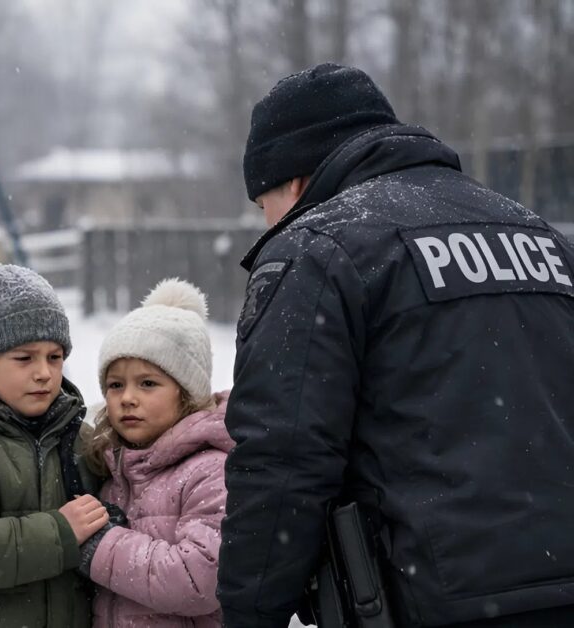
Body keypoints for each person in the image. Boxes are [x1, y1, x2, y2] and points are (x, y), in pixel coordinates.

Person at [217, 62, 574, 627]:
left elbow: (281, 461)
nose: (267, 224)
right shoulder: (540, 237)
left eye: (263, 205)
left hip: (432, 599)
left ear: (293, 180)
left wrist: (247, 613)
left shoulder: (318, 248)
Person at [81, 278, 230, 627]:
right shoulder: (114, 467)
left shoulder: (210, 471)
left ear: (187, 392)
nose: (127, 397)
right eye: (115, 384)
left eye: (147, 383)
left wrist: (100, 546)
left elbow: (198, 581)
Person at [0, 264, 102, 627]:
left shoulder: (83, 441)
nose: (44, 373)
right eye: (24, 358)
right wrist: (60, 532)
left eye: (55, 357)